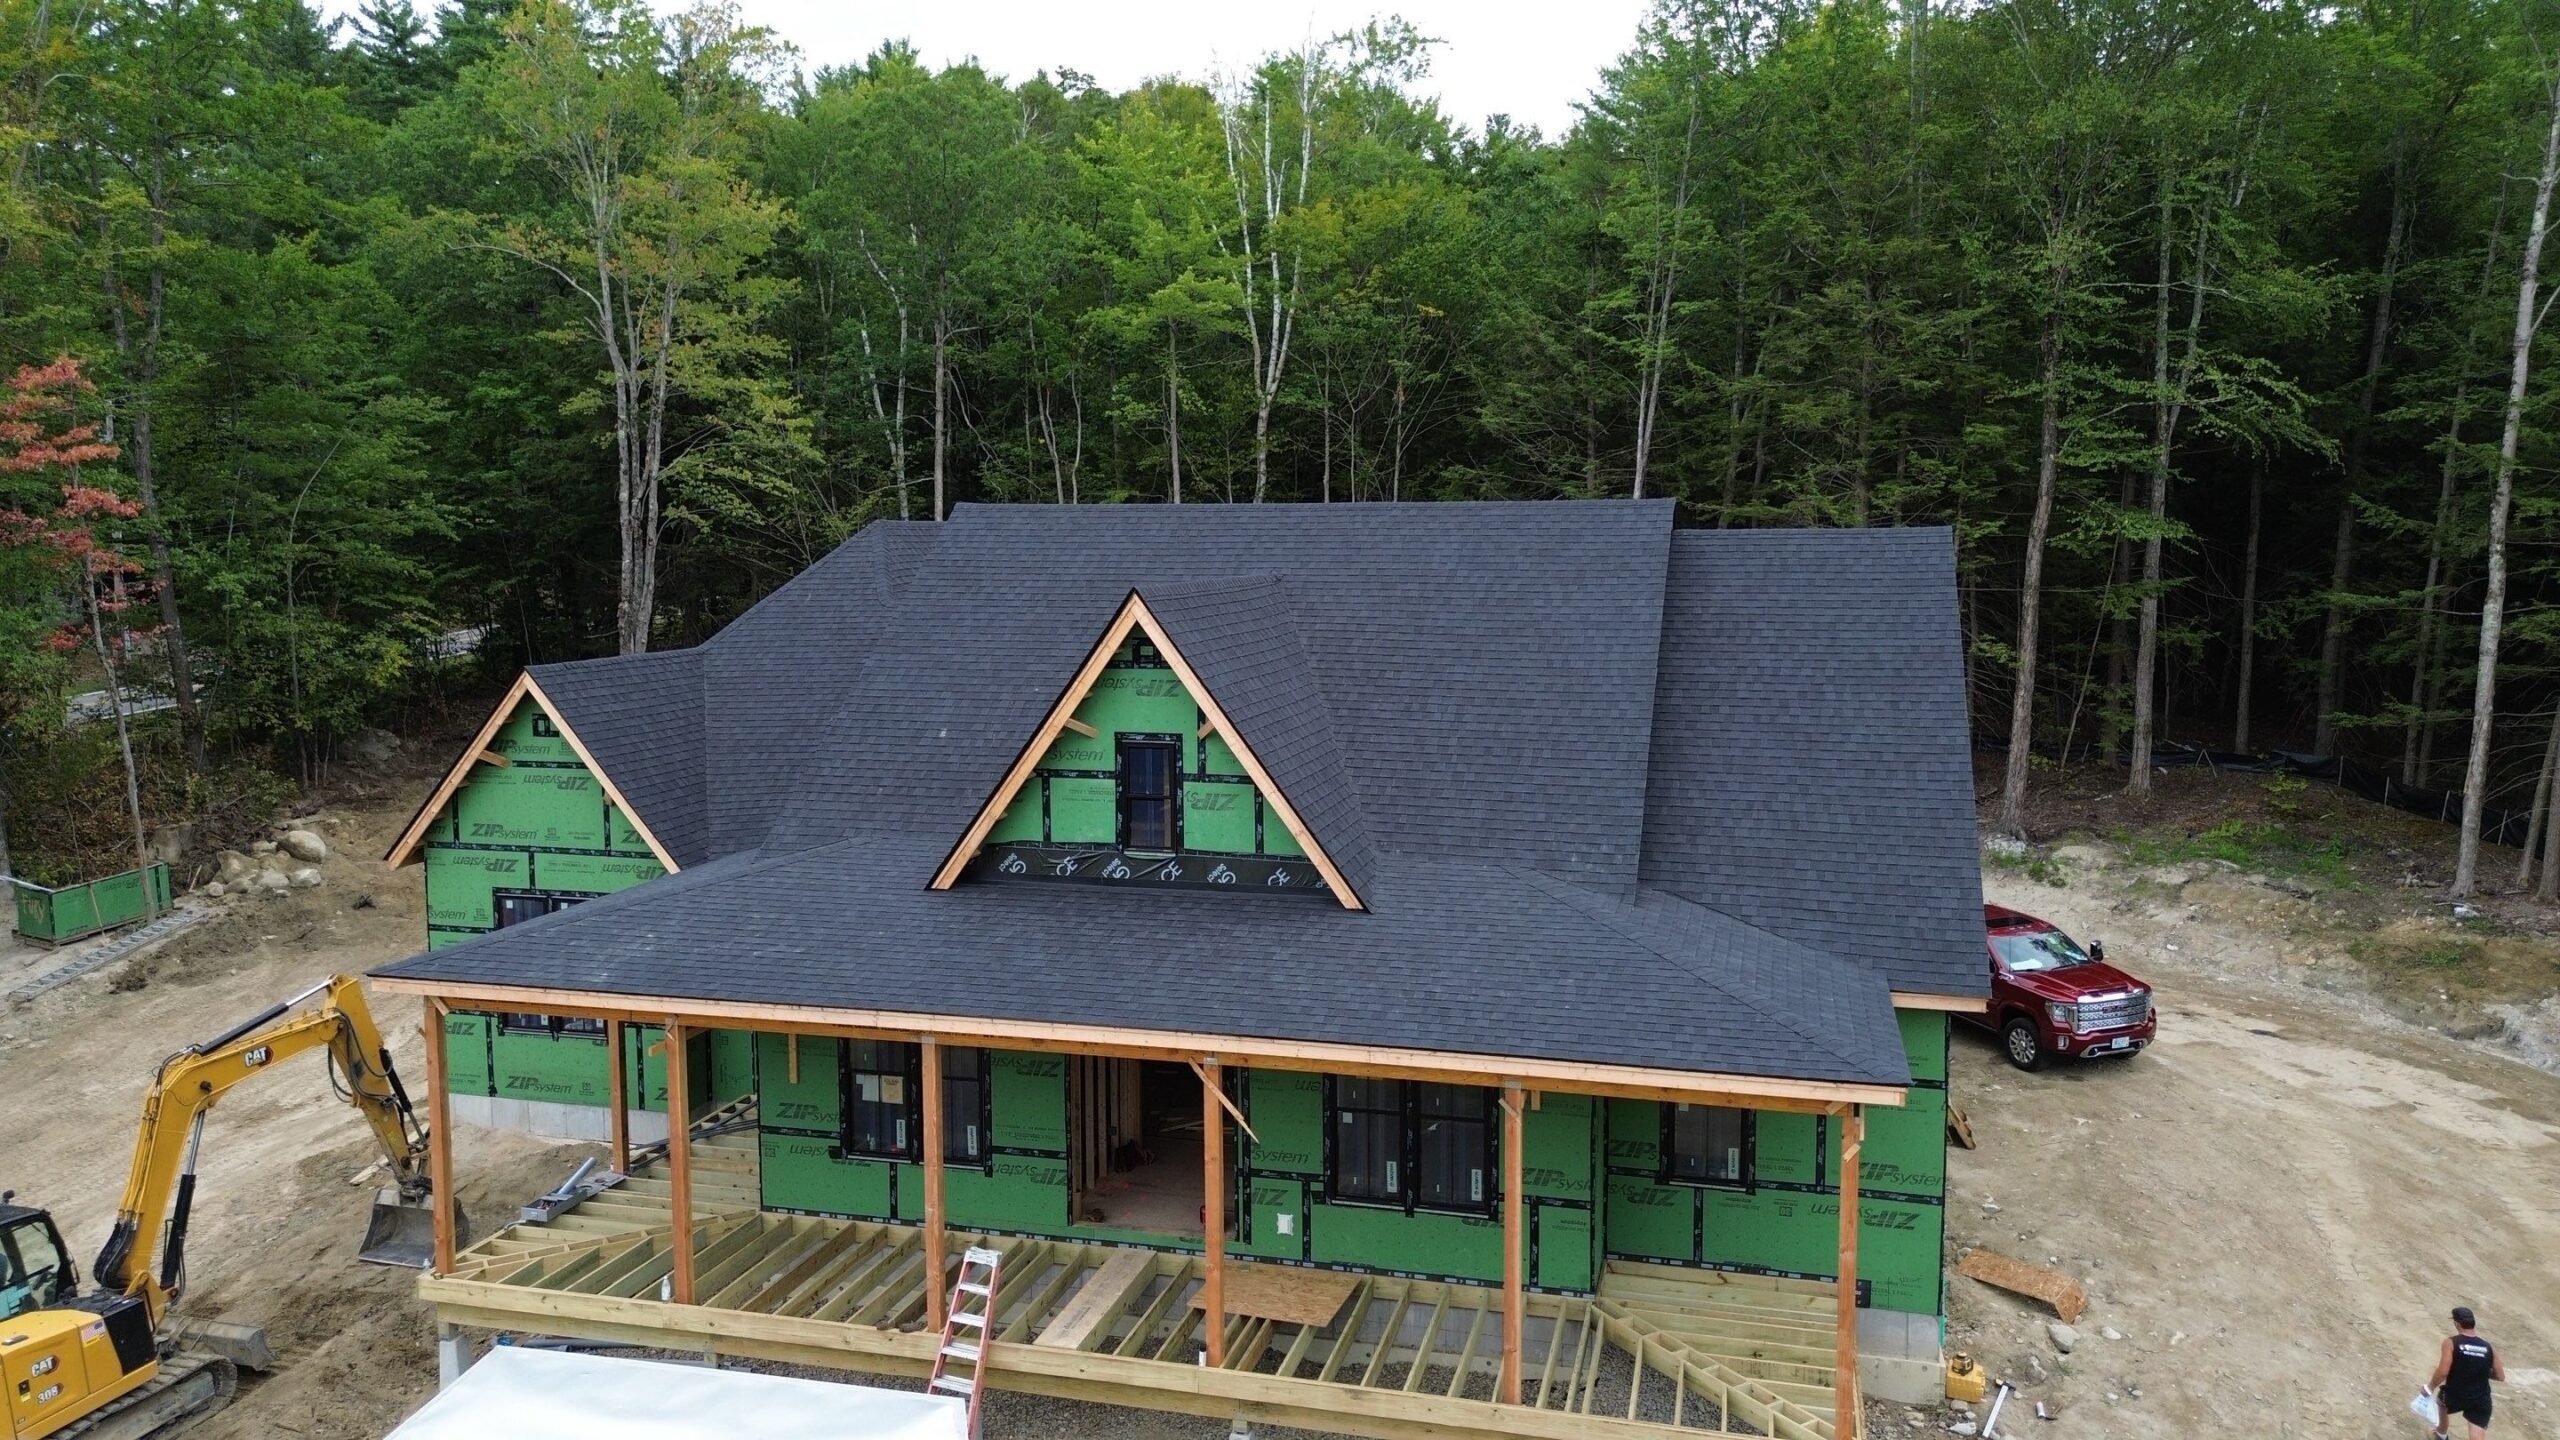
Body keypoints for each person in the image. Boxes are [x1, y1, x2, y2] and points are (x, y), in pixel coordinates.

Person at [2428, 1306, 2504, 1438]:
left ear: (2457, 1324)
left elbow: (2443, 1372)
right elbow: (2500, 1376)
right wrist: (2482, 1372)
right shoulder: (2488, 1346)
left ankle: (2441, 1433)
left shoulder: (2451, 1342)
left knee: (2442, 1401)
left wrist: (2430, 1387)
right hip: (2481, 1398)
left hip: (2456, 1393)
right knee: (2476, 1432)